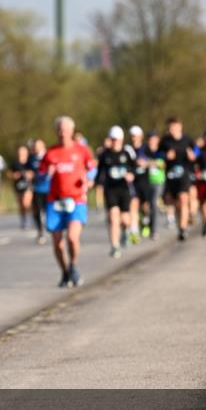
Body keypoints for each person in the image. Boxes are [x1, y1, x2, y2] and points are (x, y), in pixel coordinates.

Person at [40, 116, 96, 287]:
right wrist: (47, 174)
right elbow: (40, 177)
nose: (62, 133)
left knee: (72, 237)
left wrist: (89, 180)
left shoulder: (82, 150)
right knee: (57, 242)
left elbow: (92, 168)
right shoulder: (50, 153)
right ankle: (64, 271)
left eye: (65, 129)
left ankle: (73, 265)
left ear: (71, 131)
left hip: (76, 200)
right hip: (55, 202)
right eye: (59, 129)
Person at [96, 126, 136, 258]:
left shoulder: (127, 153)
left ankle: (125, 231)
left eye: (117, 140)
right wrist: (98, 184)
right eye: (112, 139)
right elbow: (100, 173)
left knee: (125, 219)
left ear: (121, 140)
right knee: (113, 218)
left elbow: (134, 168)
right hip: (111, 190)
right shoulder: (105, 155)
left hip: (124, 189)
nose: (114, 142)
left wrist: (131, 174)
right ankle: (115, 246)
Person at [159, 117, 196, 241]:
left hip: (184, 174)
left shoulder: (187, 139)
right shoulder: (165, 141)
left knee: (183, 199)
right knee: (175, 203)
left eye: (174, 127)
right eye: (170, 128)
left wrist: (193, 155)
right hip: (170, 176)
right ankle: (180, 221)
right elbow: (157, 154)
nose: (172, 130)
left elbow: (197, 151)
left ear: (180, 127)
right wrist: (165, 156)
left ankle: (183, 228)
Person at [28, 139, 50, 244]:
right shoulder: (31, 158)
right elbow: (27, 169)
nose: (36, 148)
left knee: (48, 211)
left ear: (43, 146)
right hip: (37, 188)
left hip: (49, 188)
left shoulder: (49, 156)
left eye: (38, 146)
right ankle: (40, 232)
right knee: (36, 211)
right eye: (35, 146)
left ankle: (52, 228)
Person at [8, 145, 32, 230]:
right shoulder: (15, 163)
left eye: (23, 151)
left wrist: (30, 174)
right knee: (21, 204)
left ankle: (29, 220)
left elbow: (34, 172)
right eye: (20, 152)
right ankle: (23, 219)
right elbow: (9, 174)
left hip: (28, 185)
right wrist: (15, 175)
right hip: (18, 186)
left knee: (26, 203)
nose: (22, 153)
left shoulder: (30, 162)